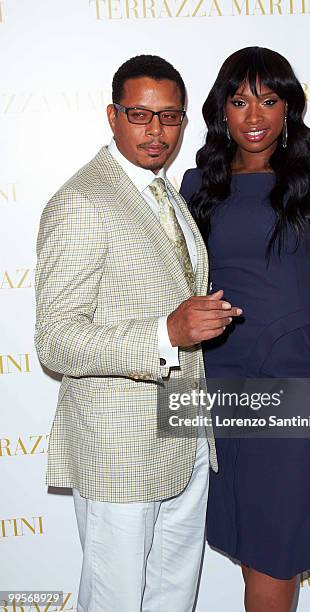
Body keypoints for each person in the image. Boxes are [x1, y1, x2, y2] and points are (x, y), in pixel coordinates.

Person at [34, 54, 241, 612]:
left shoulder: (164, 192)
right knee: (116, 600)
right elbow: (55, 337)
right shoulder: (83, 201)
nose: (157, 132)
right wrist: (164, 333)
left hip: (184, 432)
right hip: (117, 444)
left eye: (170, 117)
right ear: (112, 115)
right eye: (141, 116)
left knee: (175, 596)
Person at [180, 46, 310, 612]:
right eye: (239, 101)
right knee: (243, 533)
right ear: (222, 112)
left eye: (268, 99)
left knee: (274, 547)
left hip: (299, 383)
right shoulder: (196, 185)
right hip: (217, 386)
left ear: (289, 108)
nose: (254, 115)